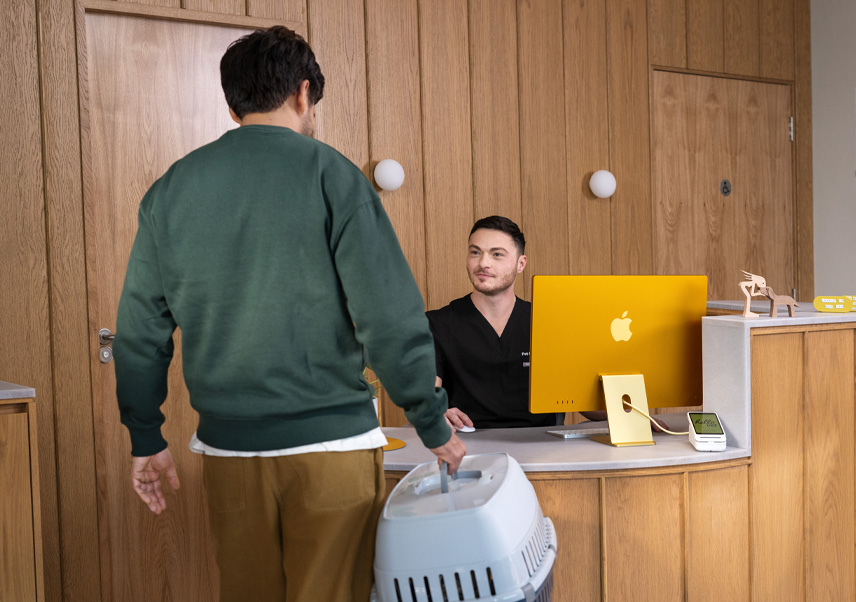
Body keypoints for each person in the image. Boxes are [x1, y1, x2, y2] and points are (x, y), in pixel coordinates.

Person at [113, 26, 464, 602]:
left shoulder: (171, 191)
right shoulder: (334, 176)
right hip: (330, 450)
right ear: (303, 94)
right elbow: (387, 315)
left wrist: (145, 436)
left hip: (229, 454)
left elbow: (139, 334)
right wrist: (430, 418)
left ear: (232, 105)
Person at [426, 216, 606, 429]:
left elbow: (588, 407)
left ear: (521, 263)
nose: (483, 263)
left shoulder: (549, 323)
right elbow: (428, 396)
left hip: (543, 447)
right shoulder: (436, 324)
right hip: (468, 447)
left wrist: (627, 409)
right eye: (475, 252)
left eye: (497, 254)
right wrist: (436, 410)